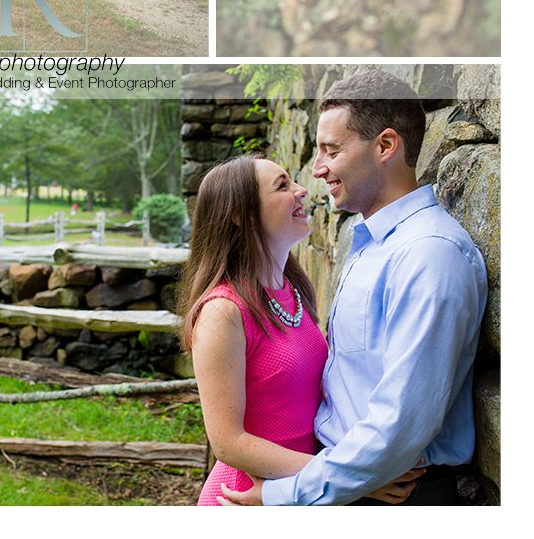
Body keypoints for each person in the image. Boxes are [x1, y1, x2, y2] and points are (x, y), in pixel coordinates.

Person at [220, 70, 488, 505]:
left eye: (332, 150)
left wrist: (283, 497)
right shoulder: (372, 243)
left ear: (385, 146)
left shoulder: (428, 254)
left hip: (395, 496)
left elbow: (399, 424)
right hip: (354, 483)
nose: (318, 168)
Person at [181, 155, 422, 506]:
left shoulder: (294, 289)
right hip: (247, 497)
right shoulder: (223, 311)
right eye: (283, 186)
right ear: (242, 215)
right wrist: (349, 479)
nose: (302, 191)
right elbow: (227, 442)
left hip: (297, 490)